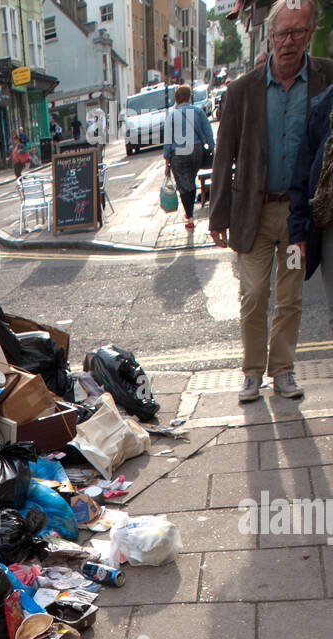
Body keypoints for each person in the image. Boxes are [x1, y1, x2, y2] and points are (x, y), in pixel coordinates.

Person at [209, 0, 333, 403]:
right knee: (254, 293)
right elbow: (224, 152)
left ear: (309, 33)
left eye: (297, 32)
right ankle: (251, 373)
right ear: (270, 35)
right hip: (253, 213)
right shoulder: (243, 89)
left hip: (300, 218)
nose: (288, 41)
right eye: (281, 33)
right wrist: (218, 213)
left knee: (291, 295)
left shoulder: (325, 77)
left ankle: (283, 371)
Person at [288, 78, 333, 324]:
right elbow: (304, 170)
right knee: (282, 294)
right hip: (323, 220)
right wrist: (297, 230)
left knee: (289, 298)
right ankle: (278, 365)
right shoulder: (326, 104)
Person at [163, 85, 215, 231]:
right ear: (189, 97)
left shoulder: (172, 115)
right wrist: (212, 148)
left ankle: (190, 217)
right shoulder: (198, 112)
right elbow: (208, 132)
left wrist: (167, 162)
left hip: (178, 154)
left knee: (183, 185)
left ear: (177, 98)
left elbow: (168, 141)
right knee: (191, 180)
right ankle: (190, 213)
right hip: (196, 151)